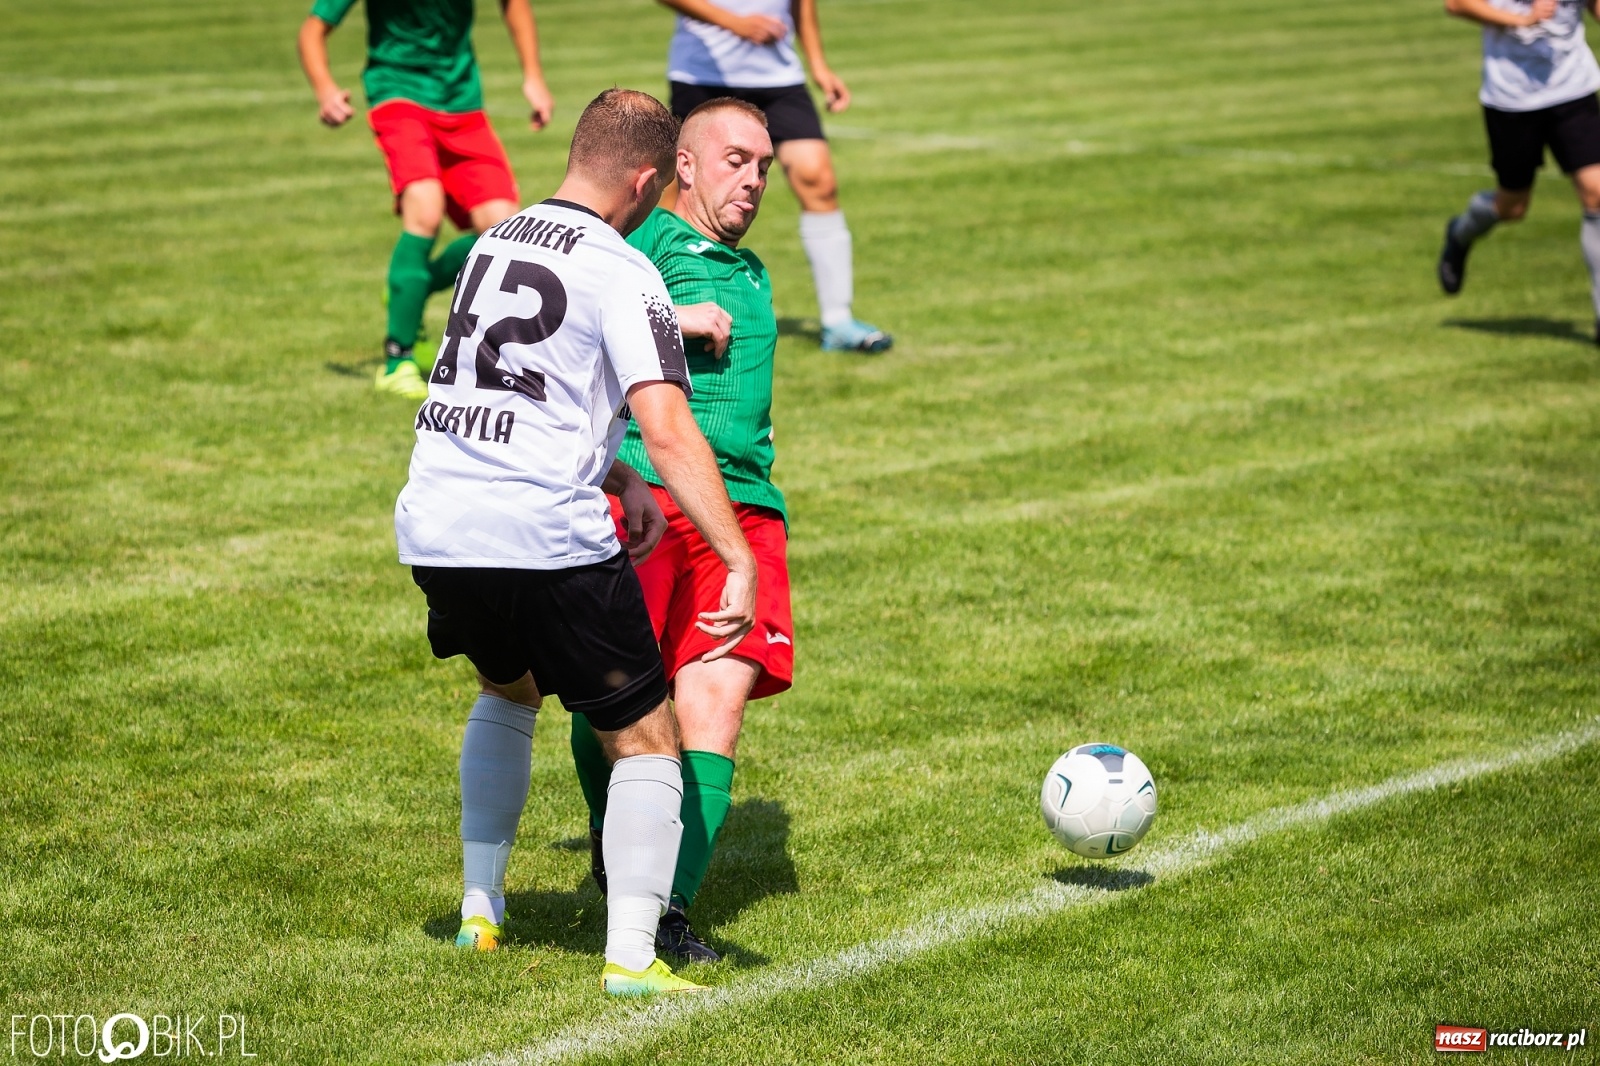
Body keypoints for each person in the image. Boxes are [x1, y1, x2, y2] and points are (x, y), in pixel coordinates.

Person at [393, 89, 759, 996]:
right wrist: (738, 556)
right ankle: (633, 957)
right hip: (538, 530)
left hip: (438, 521)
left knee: (506, 691)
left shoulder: (491, 240)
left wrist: (616, 476)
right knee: (646, 738)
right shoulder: (624, 267)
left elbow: (521, 395)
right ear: (646, 179)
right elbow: (667, 425)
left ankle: (481, 910)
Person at [569, 97, 792, 963]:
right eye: (736, 159)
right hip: (651, 501)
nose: (755, 179)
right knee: (621, 703)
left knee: (716, 703)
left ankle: (666, 912)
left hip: (749, 509)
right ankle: (611, 833)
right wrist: (673, 317)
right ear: (682, 168)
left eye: (765, 165)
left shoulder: (756, 270)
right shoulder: (644, 244)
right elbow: (580, 294)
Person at [297, 0, 556, 399]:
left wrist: (533, 77)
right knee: (425, 210)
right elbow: (313, 30)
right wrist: (325, 90)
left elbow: (514, 4)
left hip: (462, 102)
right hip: (397, 94)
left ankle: (411, 287)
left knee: (505, 233)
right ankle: (396, 360)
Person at [654, 0, 892, 353]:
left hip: (780, 79)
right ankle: (658, 308)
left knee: (818, 180)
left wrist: (819, 66)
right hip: (702, 76)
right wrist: (734, 23)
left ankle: (838, 320)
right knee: (678, 191)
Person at [1438, 0, 1600, 341]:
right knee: (1513, 206)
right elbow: (1456, 5)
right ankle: (1461, 233)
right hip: (1511, 97)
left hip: (1573, 88)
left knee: (1596, 193)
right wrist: (1521, 19)